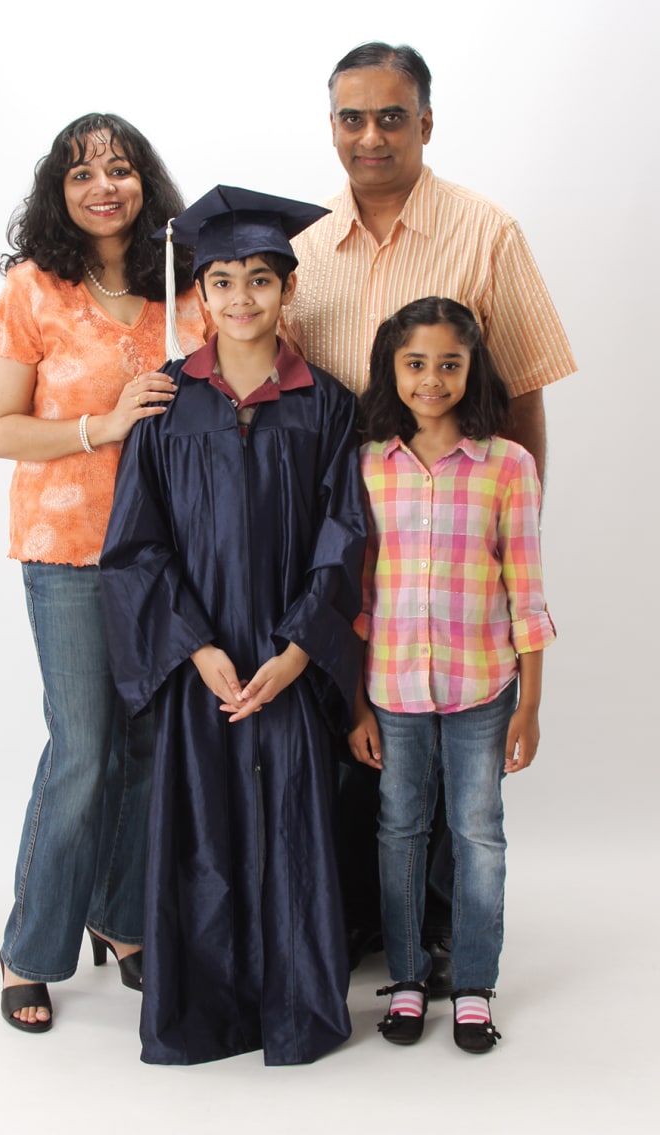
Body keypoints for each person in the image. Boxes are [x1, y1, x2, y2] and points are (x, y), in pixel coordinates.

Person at [282, 41, 576, 979]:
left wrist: (510, 532)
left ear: (426, 122)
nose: (371, 136)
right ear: (332, 126)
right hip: (343, 539)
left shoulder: (486, 232)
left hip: (454, 537)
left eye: (391, 116)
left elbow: (523, 394)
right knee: (360, 745)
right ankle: (371, 922)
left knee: (459, 776)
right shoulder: (303, 249)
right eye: (351, 118)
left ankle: (448, 933)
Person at [99, 186, 367, 1065]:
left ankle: (295, 1009)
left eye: (261, 278)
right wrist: (194, 645)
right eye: (223, 281)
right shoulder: (166, 403)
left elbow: (344, 535)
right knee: (203, 827)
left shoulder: (326, 406)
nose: (243, 297)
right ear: (201, 296)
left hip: (285, 658)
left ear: (289, 292)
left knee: (292, 819)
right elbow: (136, 545)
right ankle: (205, 1013)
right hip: (203, 663)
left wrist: (298, 652)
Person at [0, 113, 204, 1033]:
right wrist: (101, 427)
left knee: (150, 750)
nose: (102, 185)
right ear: (59, 192)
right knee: (84, 751)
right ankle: (29, 948)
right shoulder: (33, 290)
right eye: (81, 173)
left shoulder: (179, 289)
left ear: (145, 182)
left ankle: (121, 917)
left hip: (167, 553)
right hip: (68, 550)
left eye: (119, 168)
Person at [348, 296, 556, 1053]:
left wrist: (529, 707)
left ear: (473, 368)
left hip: (481, 689)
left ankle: (472, 983)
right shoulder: (370, 463)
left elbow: (525, 595)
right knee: (398, 828)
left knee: (478, 833)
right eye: (414, 363)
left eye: (449, 363)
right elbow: (359, 598)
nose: (432, 378)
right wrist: (357, 705)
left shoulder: (508, 465)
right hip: (394, 691)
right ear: (390, 369)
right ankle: (406, 978)